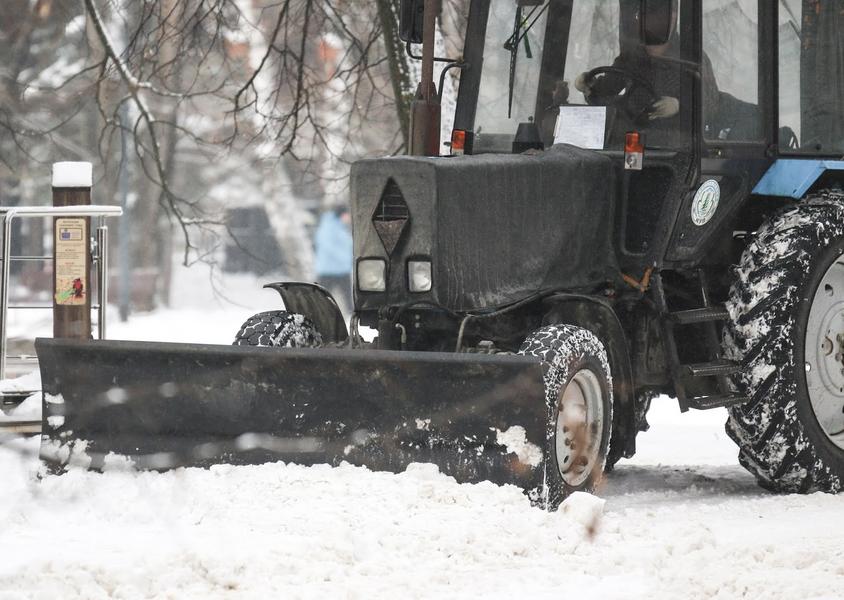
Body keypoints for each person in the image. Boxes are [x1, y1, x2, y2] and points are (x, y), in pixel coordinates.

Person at [573, 0, 721, 146]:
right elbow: (606, 91)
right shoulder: (632, 57)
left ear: (674, 16)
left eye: (657, 14)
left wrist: (679, 106)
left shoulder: (692, 57)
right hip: (631, 145)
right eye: (644, 15)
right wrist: (589, 86)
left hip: (677, 151)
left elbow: (712, 104)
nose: (648, 20)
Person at [314, 206, 353, 313]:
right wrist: (346, 259)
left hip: (341, 270)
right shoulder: (328, 226)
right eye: (347, 215)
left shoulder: (339, 226)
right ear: (341, 214)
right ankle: (317, 315)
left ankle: (351, 318)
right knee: (321, 298)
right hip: (329, 270)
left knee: (348, 299)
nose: (349, 218)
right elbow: (329, 246)